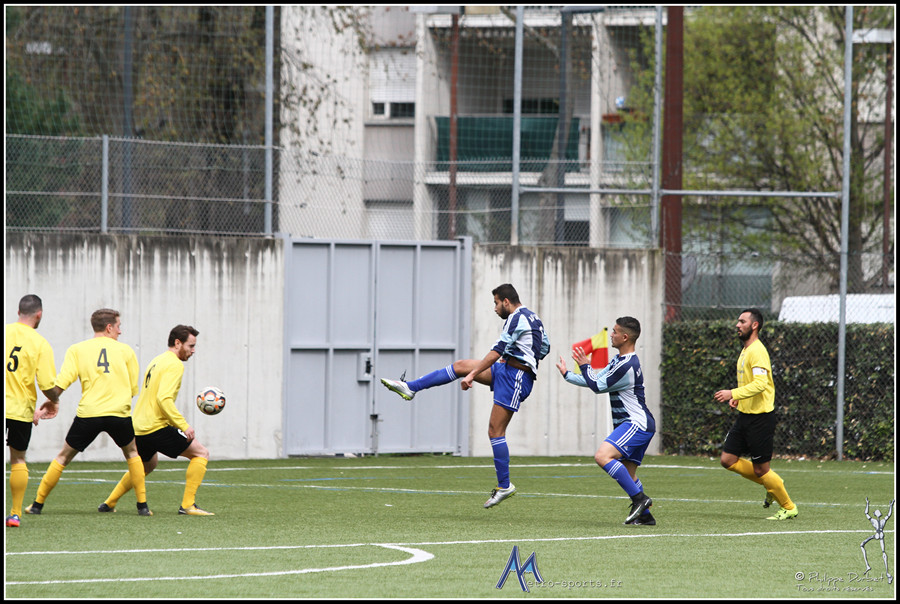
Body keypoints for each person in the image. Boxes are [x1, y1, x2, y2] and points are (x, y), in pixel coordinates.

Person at [381, 283, 550, 508]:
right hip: (508, 369)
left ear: (506, 302)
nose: (495, 308)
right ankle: (410, 387)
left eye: (496, 303)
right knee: (460, 365)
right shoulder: (533, 317)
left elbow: (496, 351)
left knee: (495, 431)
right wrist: (521, 355)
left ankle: (505, 486)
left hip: (516, 377)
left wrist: (474, 374)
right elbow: (544, 347)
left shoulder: (516, 318)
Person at [25, 308, 152, 516]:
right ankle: (143, 507)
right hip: (119, 414)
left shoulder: (77, 349)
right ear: (109, 327)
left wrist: (51, 401)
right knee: (132, 454)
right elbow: (132, 389)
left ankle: (37, 505)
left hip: (89, 414)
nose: (120, 331)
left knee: (63, 457)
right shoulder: (126, 351)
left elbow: (61, 383)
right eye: (118, 326)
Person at [99, 325, 214, 516]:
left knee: (147, 465)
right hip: (155, 426)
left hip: (138, 426)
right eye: (191, 346)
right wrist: (183, 425)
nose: (193, 351)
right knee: (201, 453)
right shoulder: (175, 364)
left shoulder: (157, 360)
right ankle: (188, 505)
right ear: (178, 343)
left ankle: (109, 503)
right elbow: (164, 399)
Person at [556, 317, 656, 525]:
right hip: (639, 424)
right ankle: (645, 516)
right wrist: (568, 374)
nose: (611, 334)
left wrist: (585, 366)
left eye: (615, 331)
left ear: (625, 337)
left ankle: (640, 499)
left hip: (636, 423)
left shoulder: (627, 365)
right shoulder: (619, 361)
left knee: (602, 456)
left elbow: (597, 386)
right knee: (629, 473)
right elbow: (596, 380)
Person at [713, 308, 797, 521]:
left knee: (761, 469)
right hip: (745, 415)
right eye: (738, 321)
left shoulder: (757, 351)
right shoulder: (746, 350)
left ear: (755, 325)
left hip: (760, 418)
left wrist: (732, 393)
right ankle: (771, 484)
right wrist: (739, 398)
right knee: (728, 459)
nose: (737, 325)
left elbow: (761, 384)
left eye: (742, 321)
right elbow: (750, 383)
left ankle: (788, 507)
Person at [5, 295, 60, 527]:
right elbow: (47, 385)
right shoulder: (40, 343)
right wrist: (54, 400)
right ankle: (15, 514)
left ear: (18, 311)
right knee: (18, 459)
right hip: (19, 409)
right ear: (39, 314)